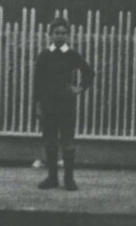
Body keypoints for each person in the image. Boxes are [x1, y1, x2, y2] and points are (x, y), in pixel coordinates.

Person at [31, 17, 94, 191]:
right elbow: (37, 83)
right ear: (50, 35)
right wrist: (37, 105)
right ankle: (52, 178)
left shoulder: (72, 55)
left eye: (64, 33)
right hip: (48, 105)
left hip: (66, 105)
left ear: (68, 35)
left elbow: (89, 73)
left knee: (67, 141)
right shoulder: (44, 55)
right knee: (50, 141)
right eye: (57, 33)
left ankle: (69, 179)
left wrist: (79, 89)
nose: (60, 36)